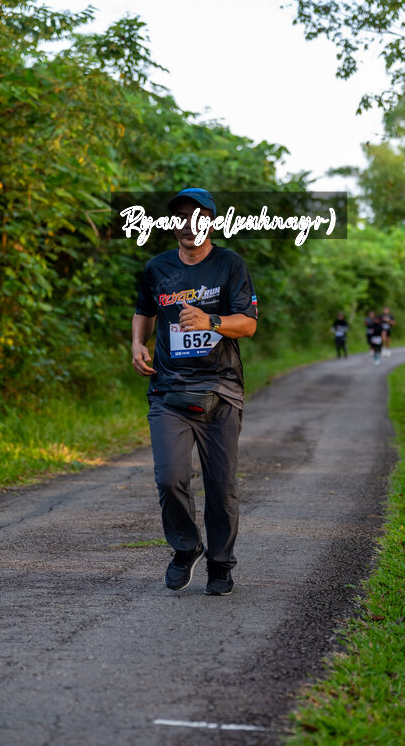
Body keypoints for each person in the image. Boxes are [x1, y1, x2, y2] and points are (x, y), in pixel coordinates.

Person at [131, 188, 258, 597]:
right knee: (170, 478)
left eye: (198, 217)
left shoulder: (230, 264)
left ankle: (221, 563)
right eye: (181, 217)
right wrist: (137, 343)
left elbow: (248, 324)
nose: (189, 225)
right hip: (168, 390)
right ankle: (186, 548)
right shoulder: (157, 267)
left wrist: (210, 321)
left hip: (221, 390)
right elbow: (145, 310)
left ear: (212, 223)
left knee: (221, 486)